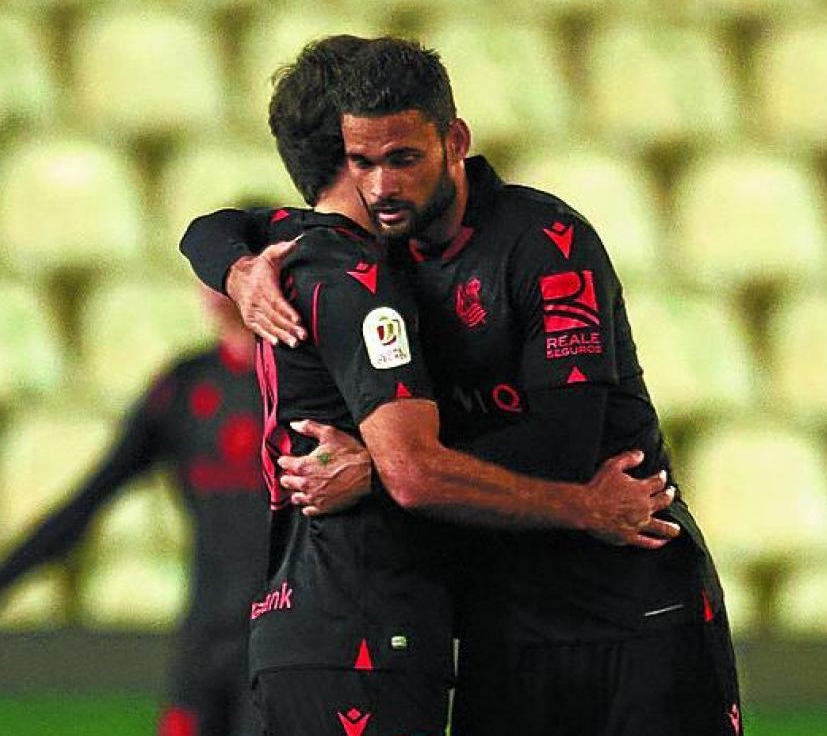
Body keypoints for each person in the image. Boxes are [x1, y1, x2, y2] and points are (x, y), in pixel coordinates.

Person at [182, 36, 743, 735]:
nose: (383, 185)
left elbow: (562, 445)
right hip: (499, 625)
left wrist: (386, 469)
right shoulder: (373, 248)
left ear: (454, 141)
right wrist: (240, 271)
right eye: (365, 162)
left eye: (404, 159)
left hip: (634, 603)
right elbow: (217, 228)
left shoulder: (546, 242)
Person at [0, 290, 269, 736]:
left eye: (235, 263)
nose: (218, 285)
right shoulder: (185, 387)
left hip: (289, 638)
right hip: (206, 638)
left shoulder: (308, 384)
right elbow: (86, 503)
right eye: (210, 270)